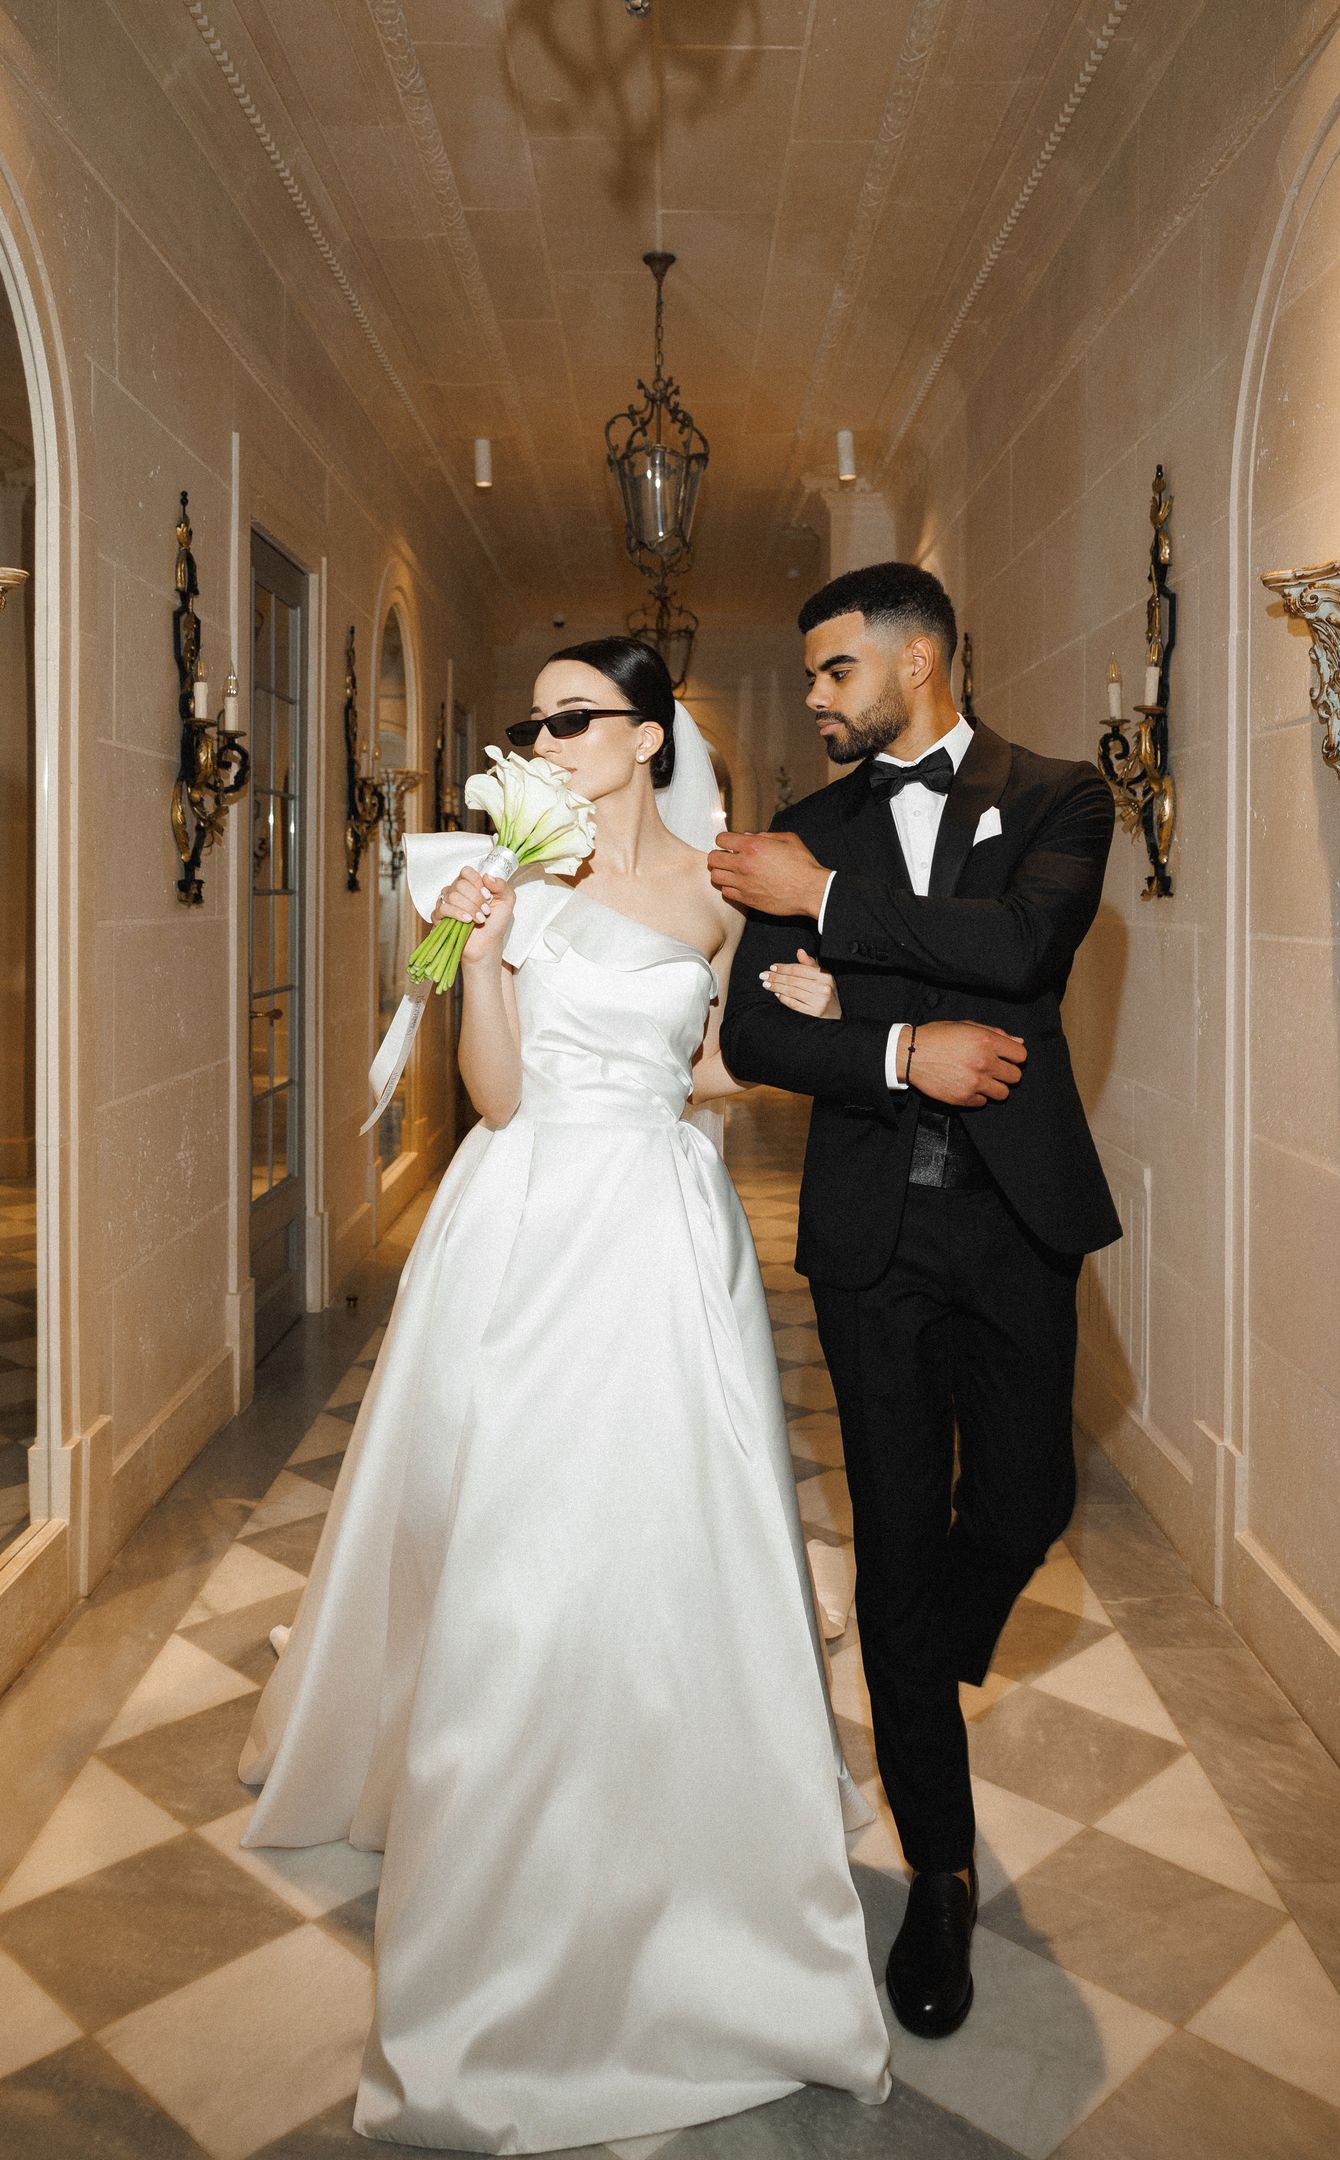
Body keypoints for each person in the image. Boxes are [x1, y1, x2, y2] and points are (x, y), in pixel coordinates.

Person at [238, 637, 890, 2154]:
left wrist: (792, 1019)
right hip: (526, 1219)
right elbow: (500, 1094)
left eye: (572, 717)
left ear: (649, 737)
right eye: (535, 723)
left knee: (665, 1518)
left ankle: (686, 1805)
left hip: (661, 1221)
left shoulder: (719, 893)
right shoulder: (514, 879)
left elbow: (719, 1064)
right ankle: (499, 1817)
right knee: (515, 1528)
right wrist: (474, 952)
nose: (544, 741)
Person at [711, 562, 1122, 2041]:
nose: (815, 698)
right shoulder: (800, 827)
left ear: (921, 659)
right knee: (892, 1533)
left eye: (835, 670)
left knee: (1026, 1501)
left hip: (1017, 1217)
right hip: (871, 1235)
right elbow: (757, 1038)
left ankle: (925, 1634)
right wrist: (899, 1053)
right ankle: (938, 1875)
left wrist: (834, 921)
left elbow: (1021, 954)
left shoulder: (1062, 797)